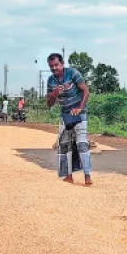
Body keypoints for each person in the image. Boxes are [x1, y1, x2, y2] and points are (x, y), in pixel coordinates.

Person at [46, 53, 92, 185]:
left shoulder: (72, 73)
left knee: (82, 144)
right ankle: (68, 175)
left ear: (62, 64)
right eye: (51, 66)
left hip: (79, 114)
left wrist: (79, 107)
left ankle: (87, 176)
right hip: (65, 115)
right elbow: (49, 104)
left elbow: (86, 91)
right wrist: (54, 94)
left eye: (56, 65)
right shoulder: (51, 81)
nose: (54, 68)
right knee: (65, 145)